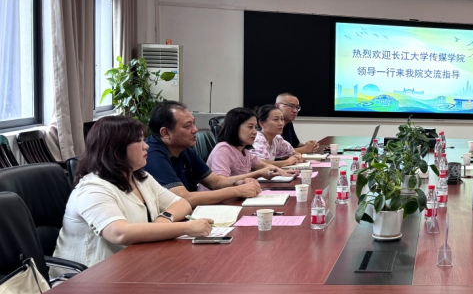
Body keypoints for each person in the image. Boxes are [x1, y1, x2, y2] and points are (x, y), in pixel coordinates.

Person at [53, 116, 214, 269]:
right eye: (138, 141)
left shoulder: (140, 177)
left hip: (133, 263)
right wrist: (186, 228)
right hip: (89, 276)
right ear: (116, 148)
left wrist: (164, 219)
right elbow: (119, 233)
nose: (146, 146)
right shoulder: (92, 189)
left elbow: (181, 203)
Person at [144, 100, 264, 206]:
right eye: (187, 126)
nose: (195, 130)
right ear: (165, 133)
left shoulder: (185, 149)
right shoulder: (152, 154)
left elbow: (215, 182)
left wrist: (239, 183)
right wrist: (237, 190)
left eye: (194, 123)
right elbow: (182, 198)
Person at [207, 107, 298, 179]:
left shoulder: (245, 152)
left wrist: (282, 172)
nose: (255, 132)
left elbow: (263, 165)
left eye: (255, 127)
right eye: (250, 127)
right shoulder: (223, 150)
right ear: (235, 127)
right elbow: (221, 181)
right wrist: (258, 174)